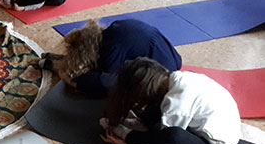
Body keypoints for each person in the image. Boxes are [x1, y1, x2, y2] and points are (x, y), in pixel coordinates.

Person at [101, 58, 240, 144]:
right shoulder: (177, 79)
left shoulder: (177, 104)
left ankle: (127, 134)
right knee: (153, 112)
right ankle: (134, 127)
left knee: (174, 136)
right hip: (203, 127)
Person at [41, 19, 182, 96]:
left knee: (92, 81)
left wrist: (70, 80)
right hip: (171, 57)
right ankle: (61, 62)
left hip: (160, 75)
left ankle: (63, 68)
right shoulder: (113, 28)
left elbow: (109, 82)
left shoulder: (112, 52)